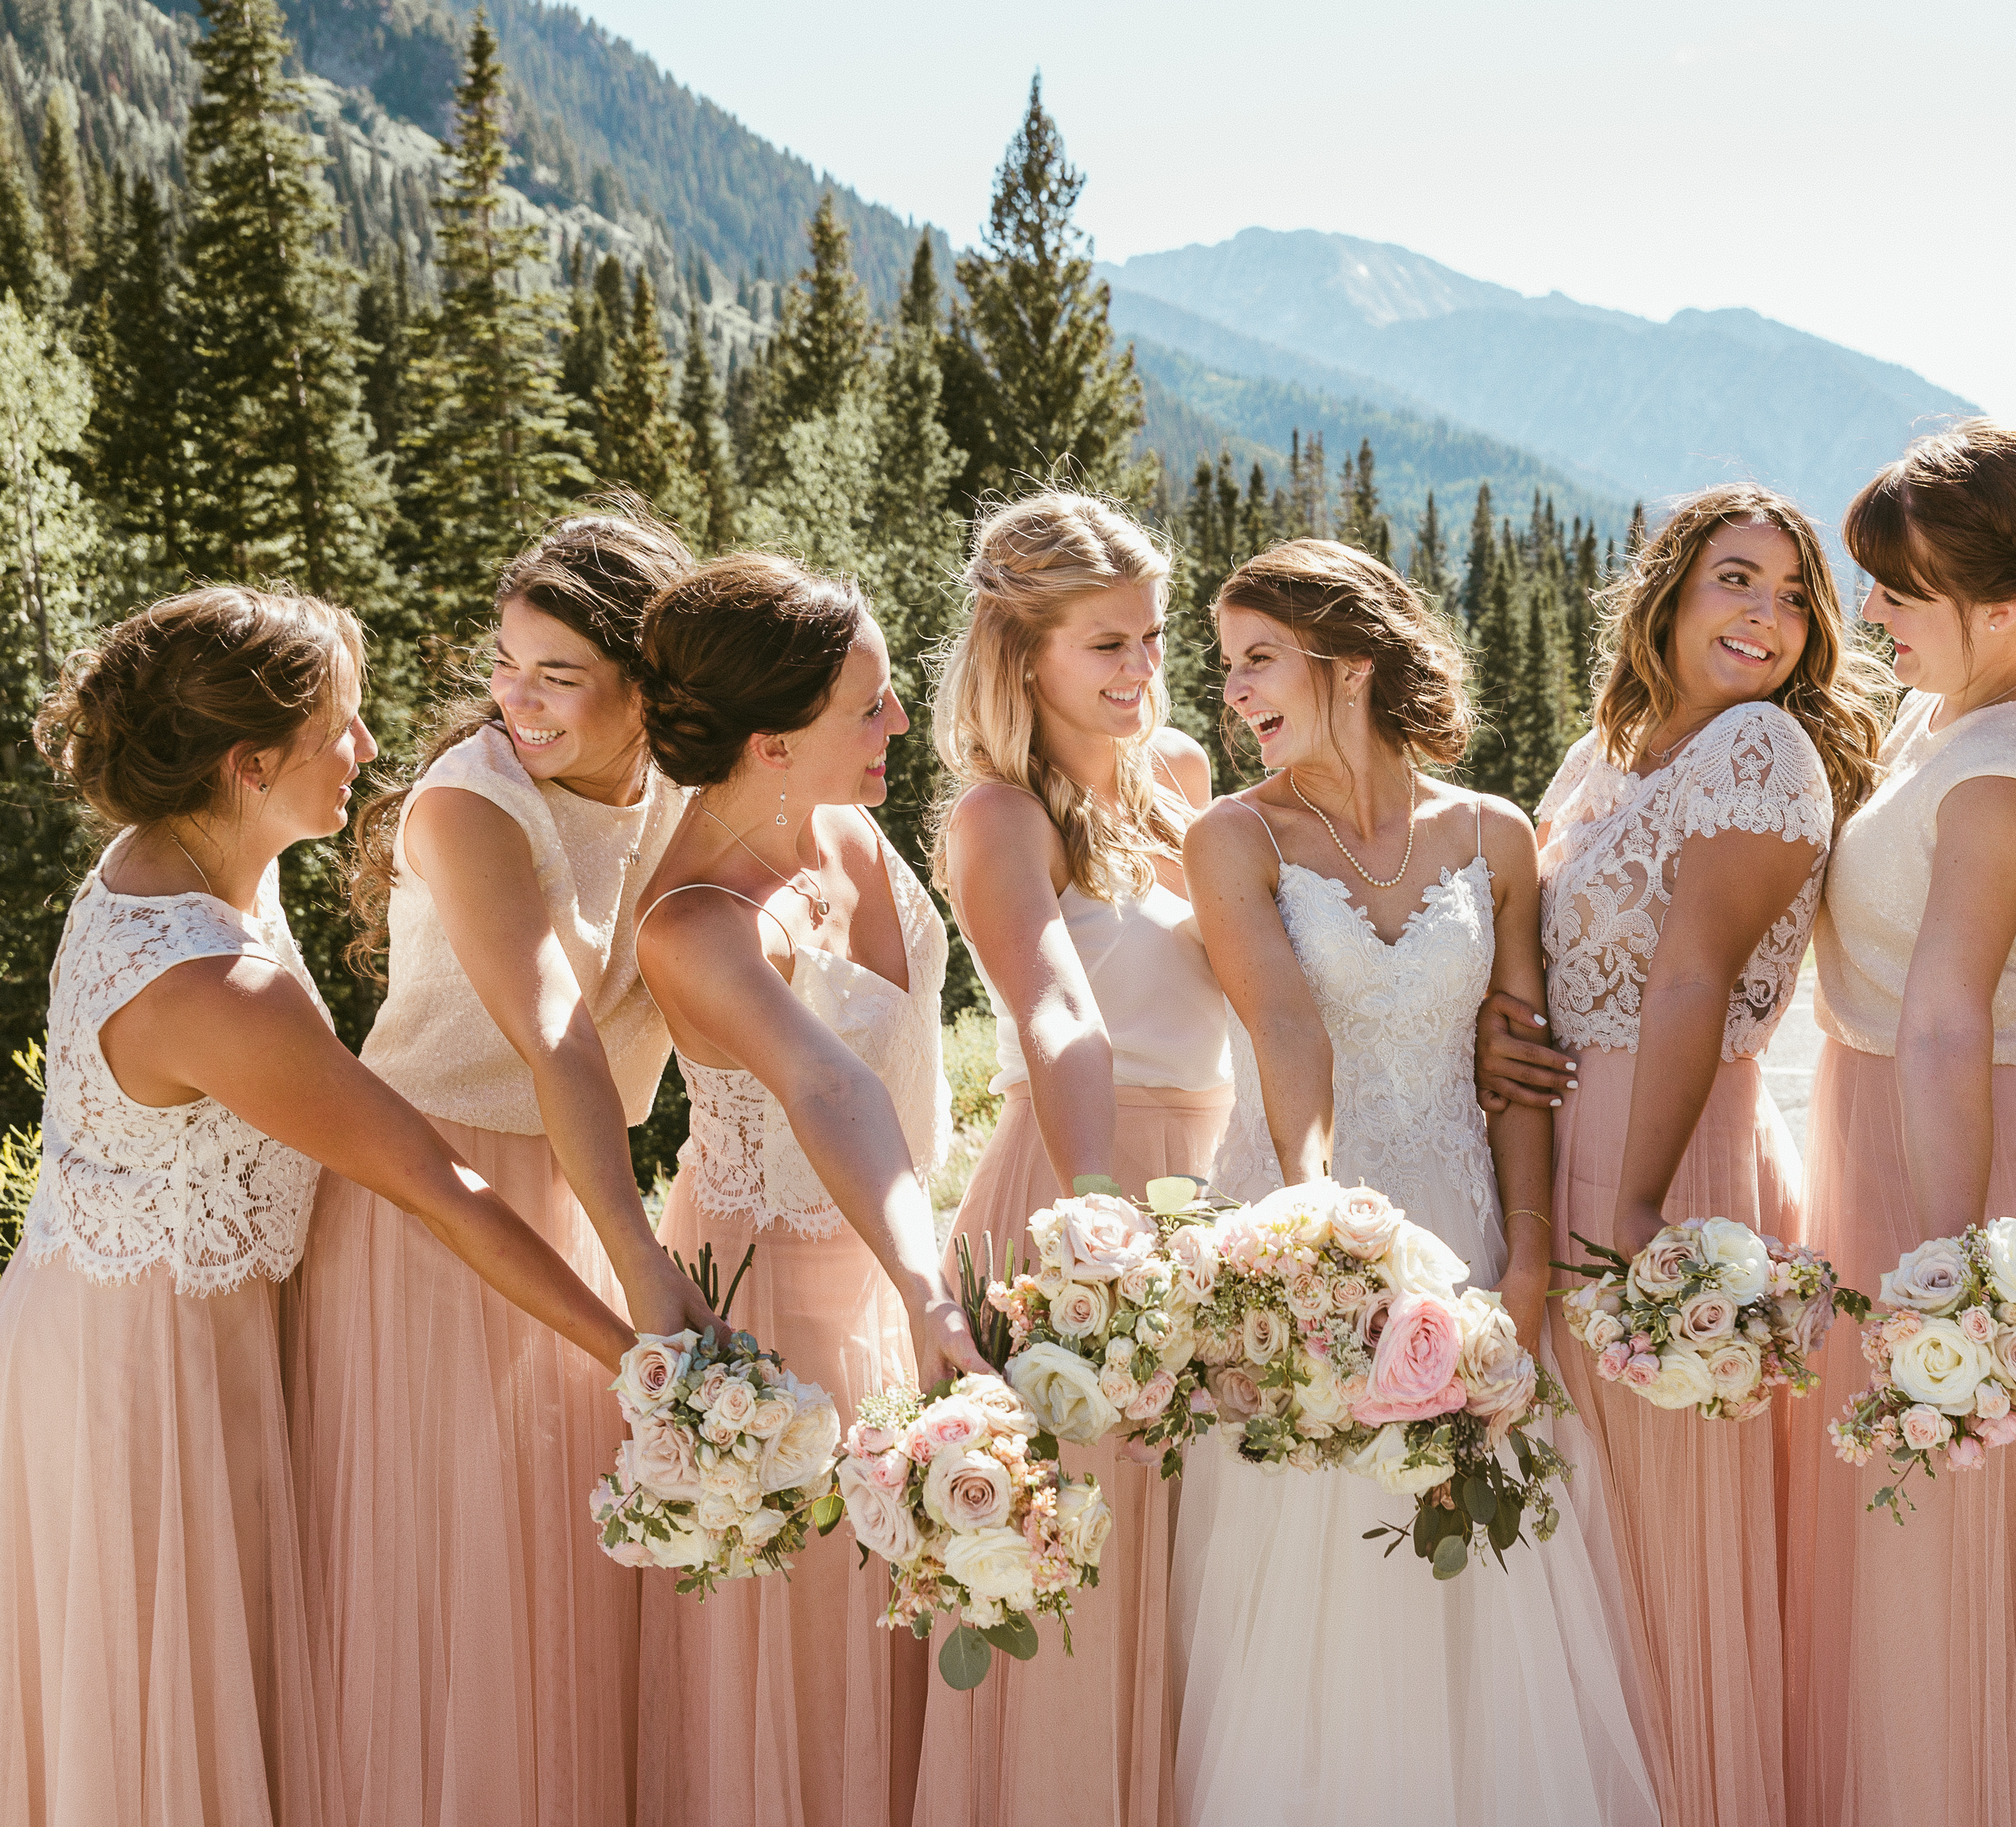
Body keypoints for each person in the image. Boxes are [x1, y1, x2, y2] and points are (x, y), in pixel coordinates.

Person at [0, 586, 634, 1826]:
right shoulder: (216, 986)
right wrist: (639, 1351)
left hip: (124, 1324)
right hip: (151, 1375)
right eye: (341, 726)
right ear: (249, 765)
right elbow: (436, 1186)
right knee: (165, 1720)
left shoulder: (181, 856)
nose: (368, 749)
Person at [1170, 539, 1655, 1827]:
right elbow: (1285, 1026)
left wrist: (1531, 1269)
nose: (1233, 691)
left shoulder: (1492, 831)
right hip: (1306, 1245)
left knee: (1479, 1597)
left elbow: (1522, 1068)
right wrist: (1315, 1231)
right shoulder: (1232, 835)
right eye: (1226, 668)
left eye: (1258, 659)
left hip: (1471, 1246)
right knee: (1313, 1598)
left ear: (1353, 662)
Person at [290, 508, 709, 1827]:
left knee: (556, 1563)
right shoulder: (474, 802)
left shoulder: (676, 796)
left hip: (572, 1186)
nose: (515, 700)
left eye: (558, 676)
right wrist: (642, 1255)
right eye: (506, 664)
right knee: (450, 1584)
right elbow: (554, 1032)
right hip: (431, 1199)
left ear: (646, 690)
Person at [1530, 483, 1888, 1826]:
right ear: (1671, 591)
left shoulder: (1762, 757)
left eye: (1797, 598)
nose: (1769, 617)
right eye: (1739, 579)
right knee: (1578, 1518)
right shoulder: (1606, 754)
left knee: (1662, 1525)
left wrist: (1628, 1214)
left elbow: (1687, 986)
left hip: (1661, 1157)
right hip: (1563, 1133)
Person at [1783, 424, 2016, 1827]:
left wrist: (1953, 1267)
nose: (1868, 614)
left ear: (1997, 606)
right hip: (1884, 1130)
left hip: (1957, 1152)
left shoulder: (2011, 766)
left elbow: (1943, 1018)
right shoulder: (1950, 720)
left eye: (1898, 591)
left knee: (1948, 1551)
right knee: (1879, 1546)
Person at [629, 555, 987, 1827]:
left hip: (889, 1276)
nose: (896, 723)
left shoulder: (843, 824)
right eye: (871, 705)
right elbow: (837, 1090)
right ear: (772, 745)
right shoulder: (697, 924)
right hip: (771, 1322)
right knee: (797, 1668)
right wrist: (929, 1285)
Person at [920, 490, 1227, 1827]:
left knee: (1200, 1559)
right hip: (1075, 1187)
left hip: (1211, 1189)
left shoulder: (1186, 782)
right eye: (1106, 644)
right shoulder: (1000, 817)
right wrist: (1100, 1220)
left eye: (1153, 638)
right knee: (1074, 1547)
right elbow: (1056, 1015)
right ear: (1021, 653)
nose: (1141, 671)